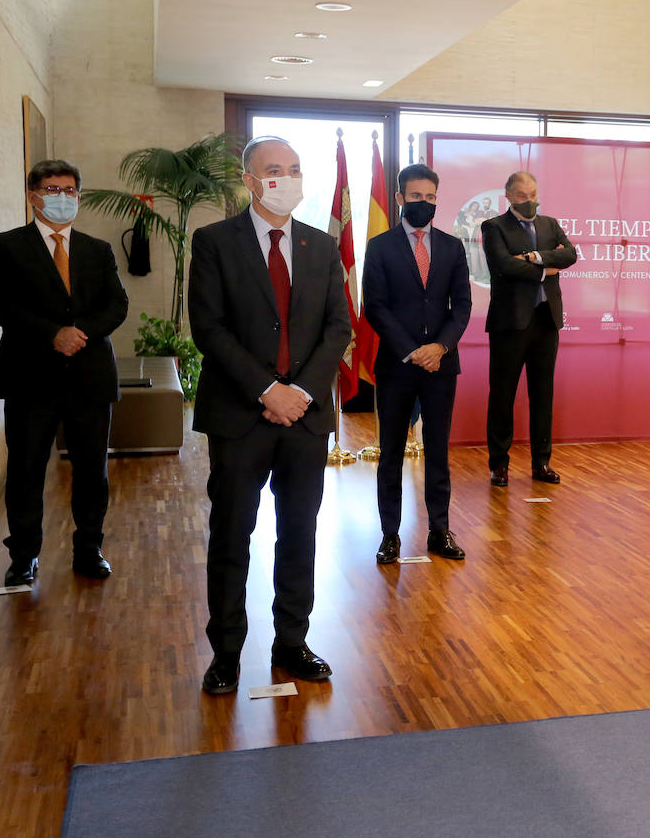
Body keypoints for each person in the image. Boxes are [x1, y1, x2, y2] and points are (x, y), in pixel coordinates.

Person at [188, 136, 352, 693]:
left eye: (295, 169)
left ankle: (291, 642)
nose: (287, 178)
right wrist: (267, 390)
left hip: (304, 418)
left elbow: (338, 329)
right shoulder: (213, 242)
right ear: (250, 181)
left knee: (300, 532)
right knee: (232, 534)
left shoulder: (321, 247)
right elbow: (209, 329)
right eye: (274, 170)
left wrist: (300, 391)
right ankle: (227, 652)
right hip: (239, 415)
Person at [0, 159, 129, 587]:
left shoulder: (97, 250)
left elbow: (116, 305)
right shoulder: (6, 246)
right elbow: (1, 305)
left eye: (69, 190)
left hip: (90, 376)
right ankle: (24, 555)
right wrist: (53, 334)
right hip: (30, 377)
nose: (62, 197)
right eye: (52, 189)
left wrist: (78, 333)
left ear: (78, 196)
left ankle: (89, 549)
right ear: (33, 196)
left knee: (91, 470)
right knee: (26, 469)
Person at [363, 164, 471, 564]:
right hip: (397, 363)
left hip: (442, 365)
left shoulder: (452, 246)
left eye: (429, 198)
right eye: (415, 197)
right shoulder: (380, 246)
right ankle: (390, 534)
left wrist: (439, 347)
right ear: (399, 199)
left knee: (438, 450)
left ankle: (439, 530)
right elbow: (376, 307)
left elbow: (461, 306)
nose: (423, 204)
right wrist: (412, 350)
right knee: (391, 452)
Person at [481, 171, 577, 486]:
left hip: (546, 320)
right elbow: (503, 265)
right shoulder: (494, 227)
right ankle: (499, 464)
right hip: (510, 323)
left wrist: (534, 257)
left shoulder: (549, 224)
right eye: (522, 195)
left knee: (543, 394)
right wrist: (544, 271)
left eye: (533, 193)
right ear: (508, 195)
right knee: (503, 396)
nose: (529, 200)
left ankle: (542, 463)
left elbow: (570, 255)